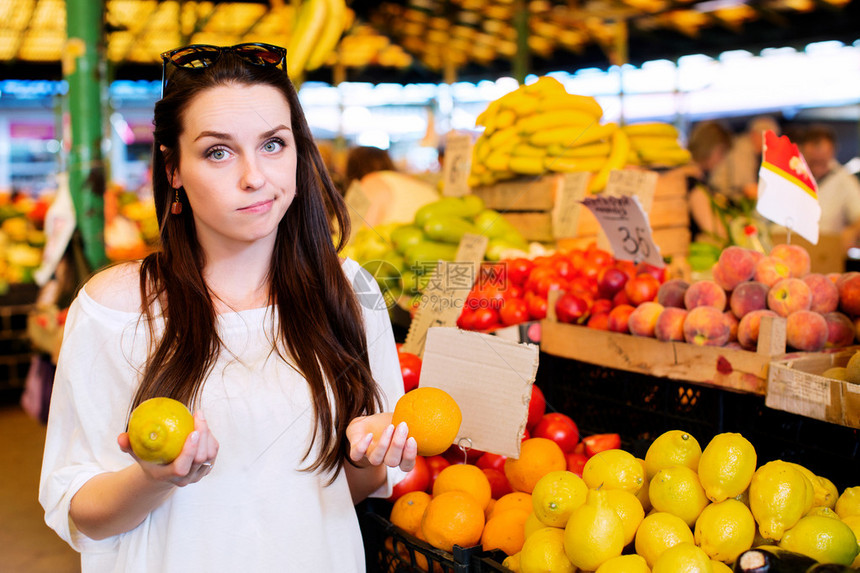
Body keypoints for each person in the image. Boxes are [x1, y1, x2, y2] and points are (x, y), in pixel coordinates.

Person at [39, 43, 416, 572]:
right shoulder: (116, 308)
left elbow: (345, 492)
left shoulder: (350, 293)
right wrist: (153, 478)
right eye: (219, 151)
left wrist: (362, 458)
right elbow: (83, 513)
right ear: (173, 168)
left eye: (273, 145)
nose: (254, 177)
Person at [799, 123, 860, 250]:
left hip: (826, 250)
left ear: (833, 151)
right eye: (813, 161)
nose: (817, 167)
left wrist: (851, 232)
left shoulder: (845, 181)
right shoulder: (791, 174)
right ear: (803, 151)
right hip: (789, 245)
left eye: (821, 161)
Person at [683, 120, 734, 240]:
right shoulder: (693, 183)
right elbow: (714, 230)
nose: (721, 160)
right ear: (716, 149)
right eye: (723, 154)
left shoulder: (688, 175)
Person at [710, 115, 781, 201]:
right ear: (754, 134)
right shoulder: (742, 149)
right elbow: (748, 188)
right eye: (770, 138)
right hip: (720, 198)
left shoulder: (750, 150)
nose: (772, 144)